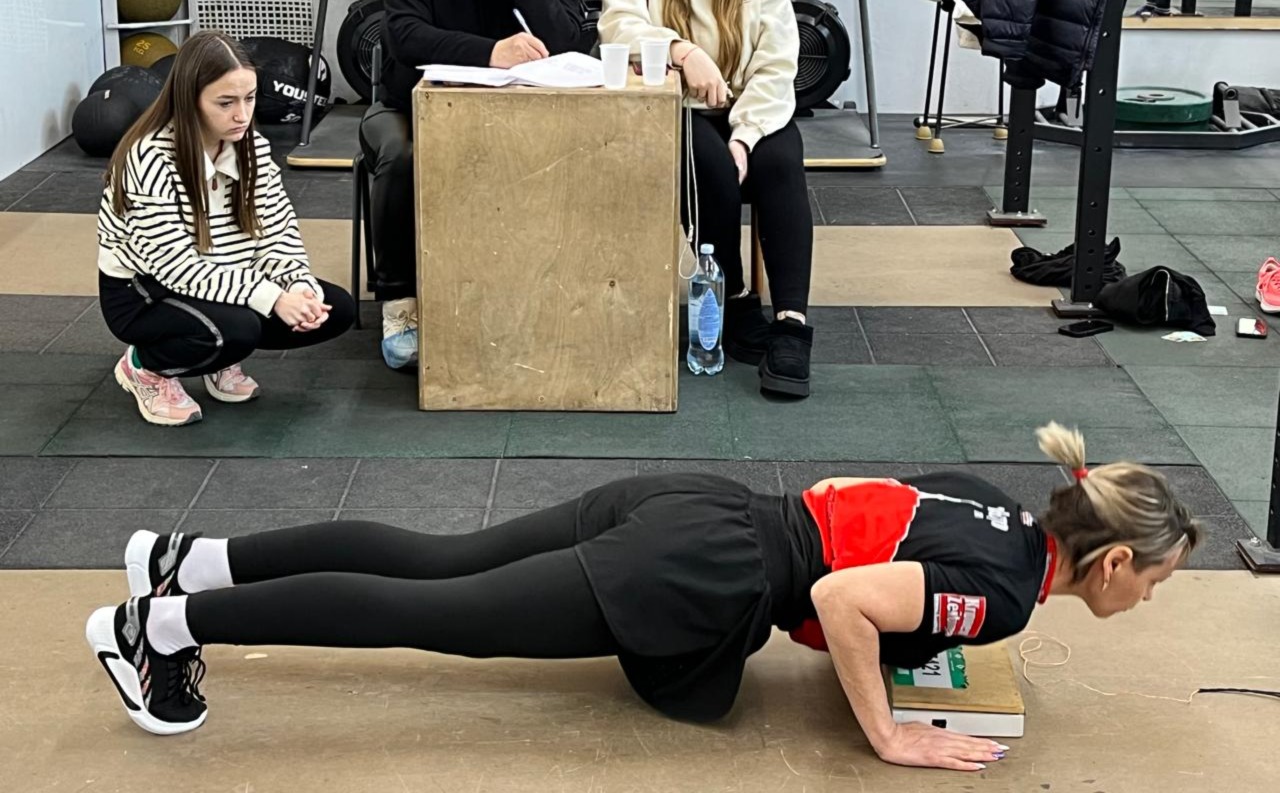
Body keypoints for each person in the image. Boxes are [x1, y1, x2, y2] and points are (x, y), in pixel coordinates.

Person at [86, 422, 1199, 771]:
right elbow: (848, 599)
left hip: (699, 505)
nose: (1149, 599)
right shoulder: (1007, 594)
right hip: (696, 569)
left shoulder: (994, 505)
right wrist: (888, 733)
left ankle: (186, 557)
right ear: (1110, 561)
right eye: (1155, 579)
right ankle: (155, 629)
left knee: (435, 558)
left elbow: (839, 510)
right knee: (431, 614)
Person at [97, 31, 355, 427]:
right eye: (225, 102)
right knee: (236, 330)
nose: (242, 115)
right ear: (189, 99)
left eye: (249, 98)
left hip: (224, 275)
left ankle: (220, 355)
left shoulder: (253, 147)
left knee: (335, 308)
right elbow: (176, 269)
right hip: (145, 291)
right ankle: (144, 368)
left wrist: (298, 285)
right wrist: (272, 297)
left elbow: (278, 233)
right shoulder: (148, 158)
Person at [362, 1, 597, 369]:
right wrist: (490, 52)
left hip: (517, 110)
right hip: (408, 104)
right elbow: (405, 36)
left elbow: (568, 38)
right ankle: (400, 304)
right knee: (402, 157)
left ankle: (554, 295)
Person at [599, 0, 816, 398]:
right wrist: (681, 51)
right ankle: (732, 298)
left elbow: (776, 66)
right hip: (677, 106)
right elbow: (617, 24)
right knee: (709, 165)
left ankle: (791, 324)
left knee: (781, 163)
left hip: (754, 108)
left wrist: (745, 136)